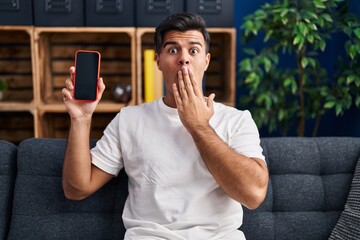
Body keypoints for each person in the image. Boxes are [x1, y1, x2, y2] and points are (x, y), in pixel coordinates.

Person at [61, 12, 269, 240]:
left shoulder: (237, 120)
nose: (183, 58)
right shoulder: (129, 120)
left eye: (193, 50)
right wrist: (80, 119)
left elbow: (253, 194)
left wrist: (198, 126)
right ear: (158, 61)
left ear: (206, 61)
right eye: (172, 50)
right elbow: (76, 189)